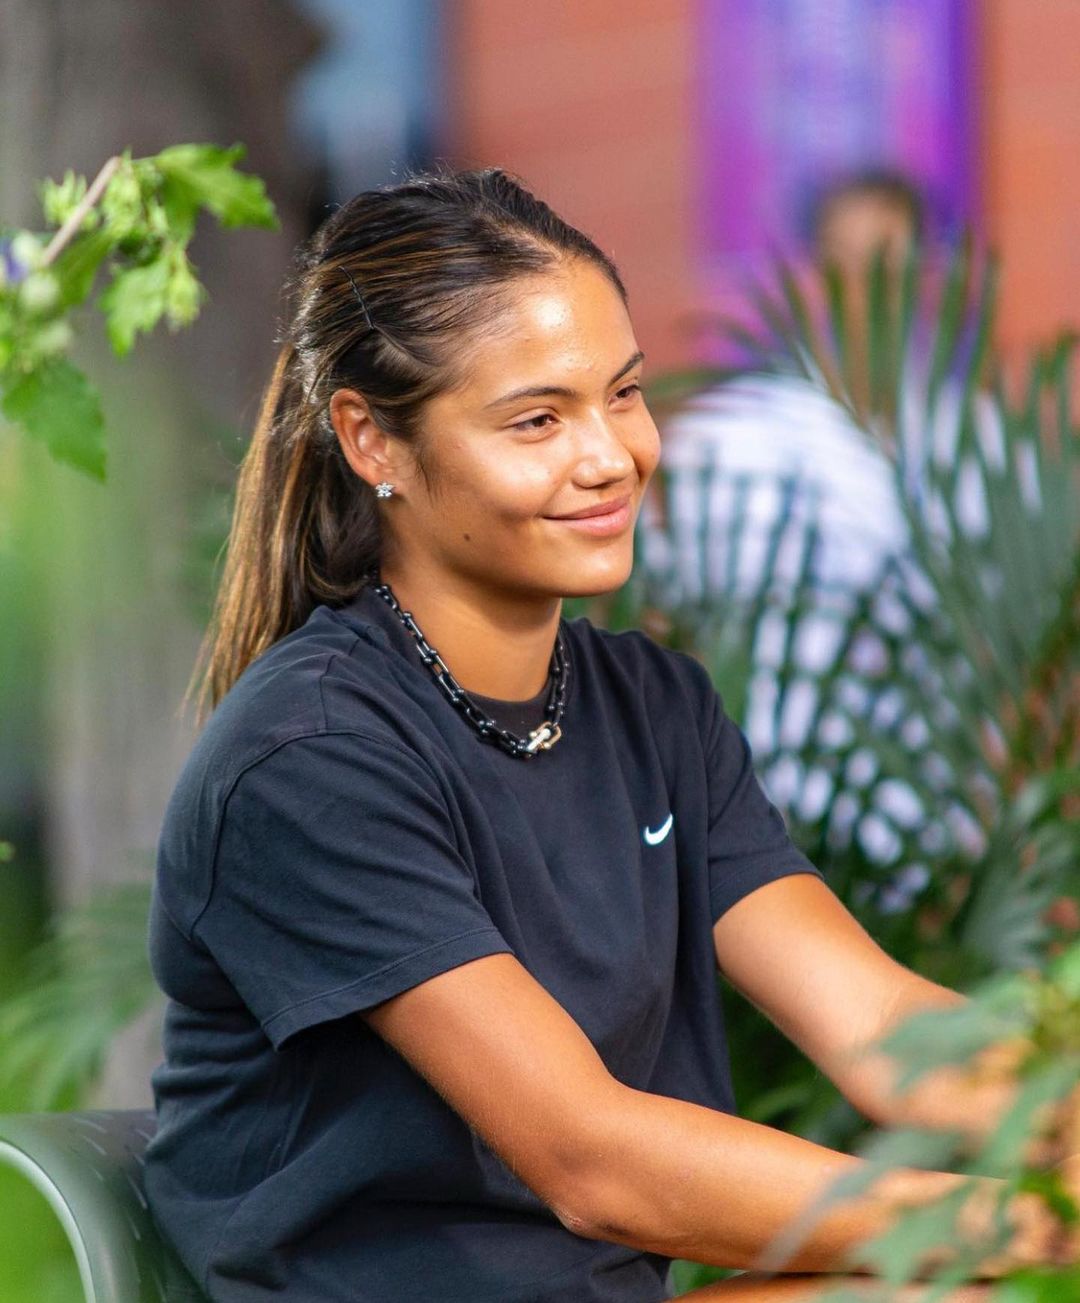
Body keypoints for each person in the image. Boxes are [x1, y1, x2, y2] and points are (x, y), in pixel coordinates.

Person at [144, 166, 1067, 1302]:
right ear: (371, 440)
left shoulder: (654, 708)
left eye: (622, 394)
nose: (610, 456)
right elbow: (592, 1158)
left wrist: (1059, 1117)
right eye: (538, 419)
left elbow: (881, 1026)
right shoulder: (313, 754)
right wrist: (1004, 1222)